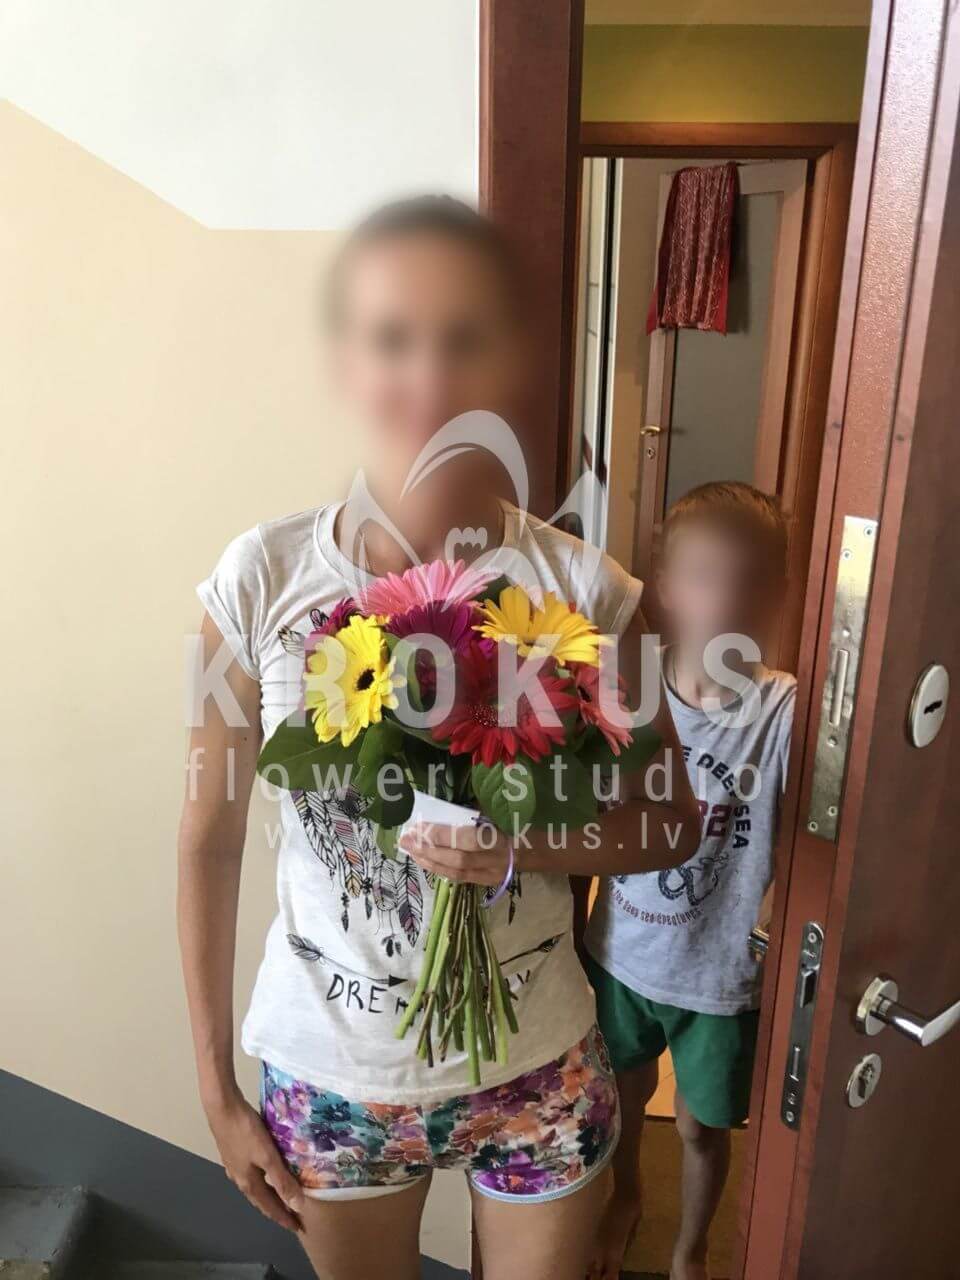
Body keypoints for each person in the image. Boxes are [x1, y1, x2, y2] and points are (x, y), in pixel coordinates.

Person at [177, 195, 700, 1280]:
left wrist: (520, 847)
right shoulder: (257, 579)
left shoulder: (589, 591)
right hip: (334, 1078)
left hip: (540, 1071)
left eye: (467, 338)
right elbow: (209, 839)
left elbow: (671, 822)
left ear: (515, 364)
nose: (429, 377)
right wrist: (215, 1090)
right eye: (393, 337)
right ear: (346, 361)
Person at [584, 481, 796, 1280]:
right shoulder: (629, 696)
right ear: (667, 588)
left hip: (720, 976)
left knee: (703, 1128)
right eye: (706, 579)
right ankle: (626, 1198)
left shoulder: (785, 713)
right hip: (623, 955)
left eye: (749, 583)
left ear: (779, 594)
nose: (727, 602)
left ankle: (690, 1250)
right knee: (622, 1099)